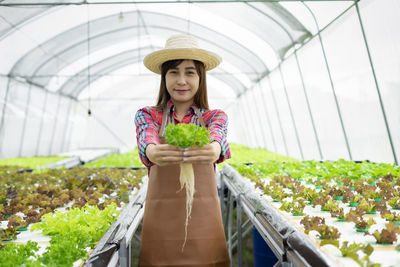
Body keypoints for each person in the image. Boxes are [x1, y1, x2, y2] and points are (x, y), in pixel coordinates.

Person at [134, 34, 231, 266]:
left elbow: (219, 134)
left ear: (201, 78)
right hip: (162, 221)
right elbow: (146, 136)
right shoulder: (149, 115)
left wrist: (215, 147)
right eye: (174, 72)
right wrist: (151, 151)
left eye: (190, 72)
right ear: (164, 77)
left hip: (203, 221)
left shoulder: (213, 117)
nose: (181, 81)